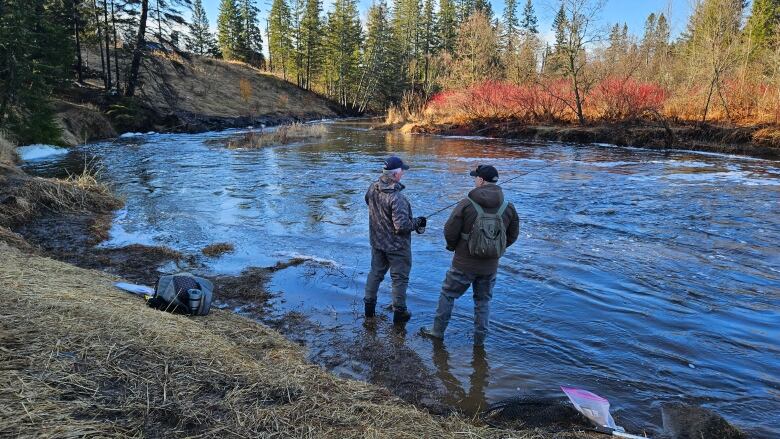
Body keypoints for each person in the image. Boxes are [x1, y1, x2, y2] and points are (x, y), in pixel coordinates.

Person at [420, 165, 519, 345]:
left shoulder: (466, 204)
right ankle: (479, 341)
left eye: (476, 178)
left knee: (448, 294)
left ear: (481, 180)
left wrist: (453, 247)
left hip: (463, 263)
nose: (474, 180)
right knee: (483, 302)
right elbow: (512, 236)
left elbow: (450, 230)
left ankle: (437, 331)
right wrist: (495, 251)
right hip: (490, 266)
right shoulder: (508, 207)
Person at [364, 156, 426, 325]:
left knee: (375, 274)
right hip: (397, 247)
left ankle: (368, 312)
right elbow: (402, 226)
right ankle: (400, 315)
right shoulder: (397, 198)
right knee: (399, 279)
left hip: (377, 242)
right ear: (396, 174)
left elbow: (368, 202)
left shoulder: (372, 188)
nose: (403, 173)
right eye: (402, 171)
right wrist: (418, 222)